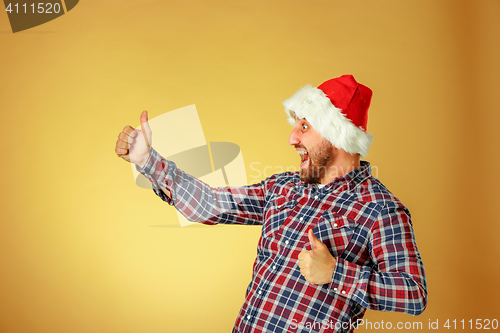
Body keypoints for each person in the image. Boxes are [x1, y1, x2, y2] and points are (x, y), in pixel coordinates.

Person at [115, 75, 427, 333]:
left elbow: (414, 292)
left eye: (304, 127)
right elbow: (210, 204)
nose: (292, 138)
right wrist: (148, 162)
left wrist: (336, 273)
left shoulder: (380, 209)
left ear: (337, 134)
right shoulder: (282, 187)